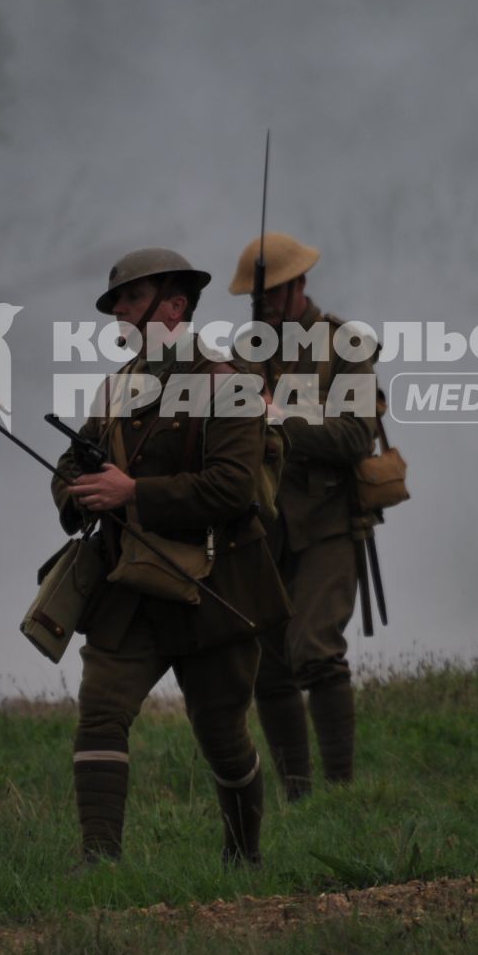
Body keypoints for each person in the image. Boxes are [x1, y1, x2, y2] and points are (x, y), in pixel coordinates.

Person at [51, 248, 288, 864]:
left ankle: (244, 860)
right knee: (101, 715)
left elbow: (232, 488)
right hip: (130, 583)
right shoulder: (116, 386)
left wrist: (134, 493)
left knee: (223, 739)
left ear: (174, 304)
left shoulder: (230, 383)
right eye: (117, 304)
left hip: (216, 586)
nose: (119, 313)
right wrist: (80, 493)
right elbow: (71, 465)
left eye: (130, 300)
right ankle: (98, 870)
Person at [228, 232, 379, 798]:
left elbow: (354, 435)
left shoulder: (347, 345)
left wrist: (277, 416)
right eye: (257, 300)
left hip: (327, 522)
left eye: (271, 296)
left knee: (315, 649)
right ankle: (298, 795)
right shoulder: (244, 353)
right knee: (267, 667)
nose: (264, 307)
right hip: (263, 524)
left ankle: (340, 792)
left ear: (299, 287)